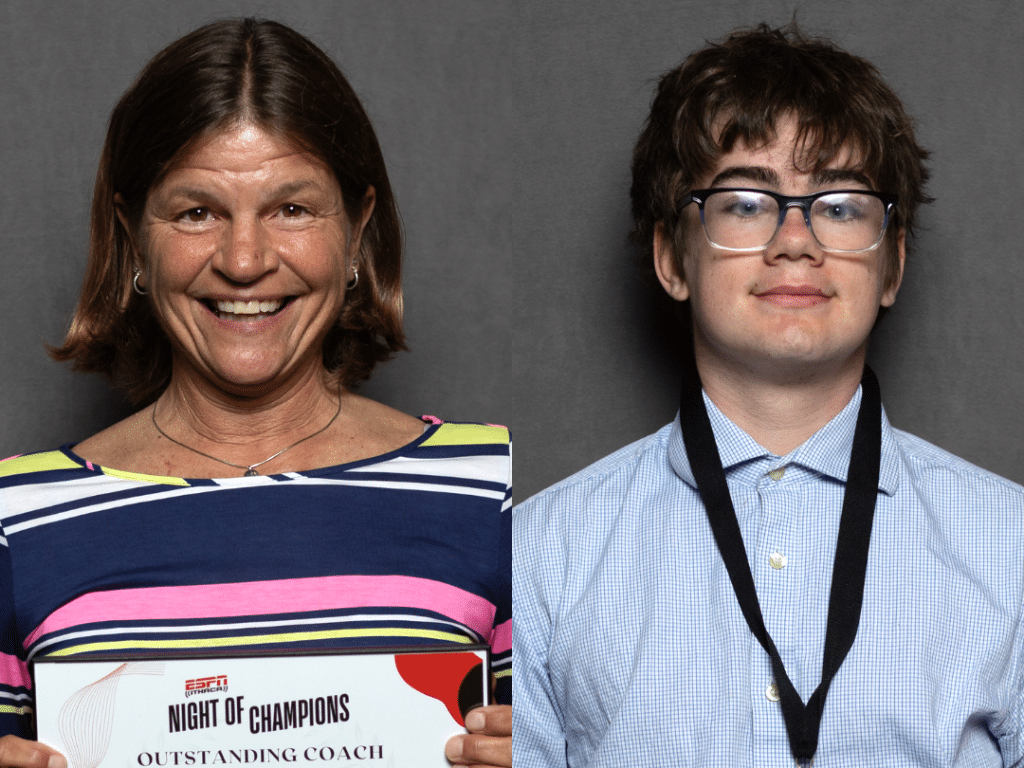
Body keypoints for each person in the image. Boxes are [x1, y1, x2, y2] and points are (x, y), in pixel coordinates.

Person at [0, 18, 510, 768]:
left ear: (358, 231)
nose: (244, 261)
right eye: (197, 211)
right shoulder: (19, 518)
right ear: (133, 234)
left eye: (292, 209)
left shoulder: (488, 491)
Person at [513, 23, 1024, 767]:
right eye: (746, 203)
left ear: (891, 267)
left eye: (841, 205)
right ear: (670, 259)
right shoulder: (541, 557)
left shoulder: (1011, 549)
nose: (796, 240)